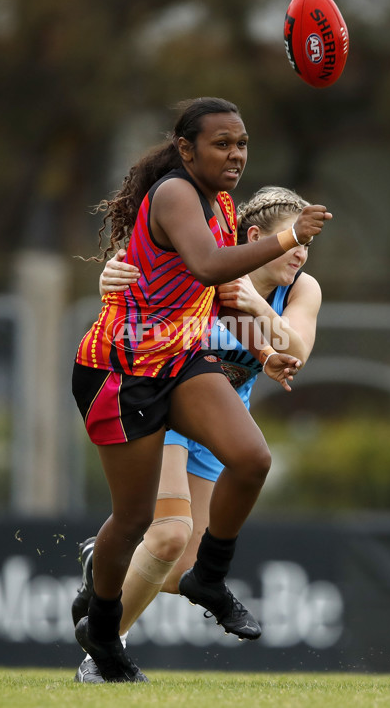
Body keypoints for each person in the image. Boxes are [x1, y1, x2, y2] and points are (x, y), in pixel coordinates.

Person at [71, 97, 332, 683]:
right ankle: (105, 638)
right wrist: (288, 234)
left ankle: (208, 577)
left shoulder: (217, 202)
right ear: (186, 149)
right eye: (222, 143)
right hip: (125, 370)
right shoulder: (174, 193)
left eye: (242, 144)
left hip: (182, 360)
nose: (236, 154)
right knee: (141, 524)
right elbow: (211, 266)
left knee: (253, 459)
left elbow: (213, 293)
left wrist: (265, 351)